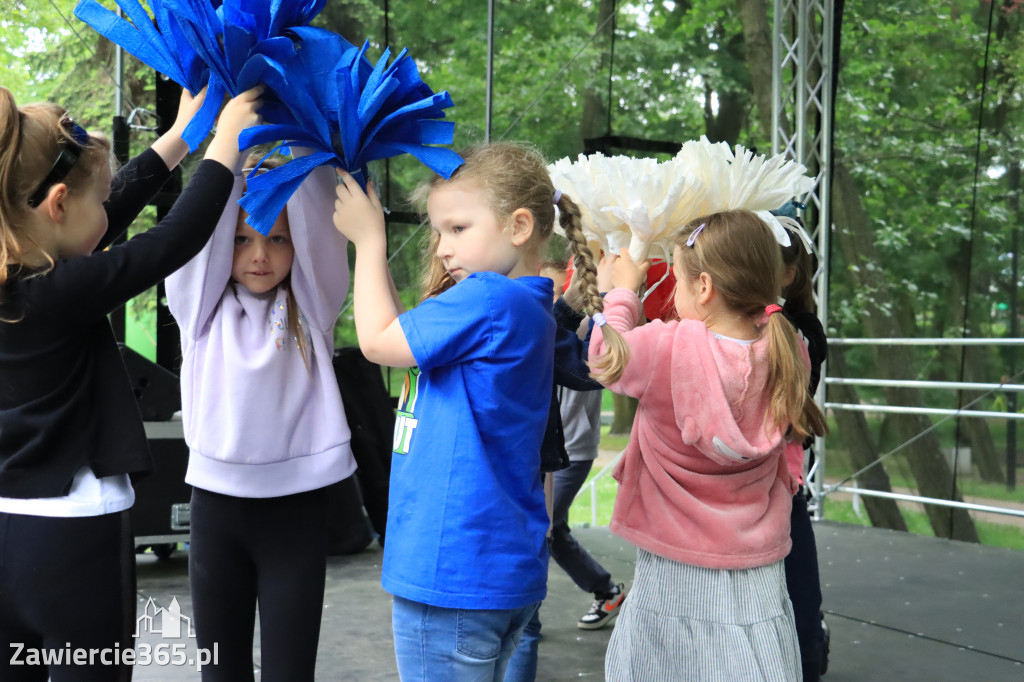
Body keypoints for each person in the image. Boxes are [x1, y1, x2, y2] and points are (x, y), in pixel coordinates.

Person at [0, 83, 262, 682]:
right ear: (57, 204)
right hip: (73, 536)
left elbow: (99, 218)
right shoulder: (61, 292)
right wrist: (223, 146)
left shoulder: (25, 282)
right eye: (96, 198)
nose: (109, 210)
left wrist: (178, 141)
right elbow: (170, 242)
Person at [332, 142, 602, 681]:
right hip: (495, 573)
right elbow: (403, 329)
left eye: (458, 229)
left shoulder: (487, 298)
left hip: (454, 570)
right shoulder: (526, 306)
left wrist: (368, 241)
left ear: (519, 225)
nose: (442, 248)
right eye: (438, 232)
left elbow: (381, 341)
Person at [591, 210, 828, 681]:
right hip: (756, 567)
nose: (674, 297)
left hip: (673, 564)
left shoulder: (666, 348)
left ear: (703, 288)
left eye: (676, 283)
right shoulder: (790, 349)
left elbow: (604, 355)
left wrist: (618, 294)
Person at [164, 150, 354, 681]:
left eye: (277, 238)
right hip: (216, 509)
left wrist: (302, 143)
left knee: (289, 673)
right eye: (243, 239)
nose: (259, 255)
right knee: (219, 673)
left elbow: (321, 225)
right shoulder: (198, 312)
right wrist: (235, 151)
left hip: (295, 512)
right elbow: (201, 226)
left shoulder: (314, 309)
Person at [778, 217, 830, 681]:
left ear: (788, 273)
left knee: (799, 599)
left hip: (781, 483)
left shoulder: (800, 331)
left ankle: (809, 656)